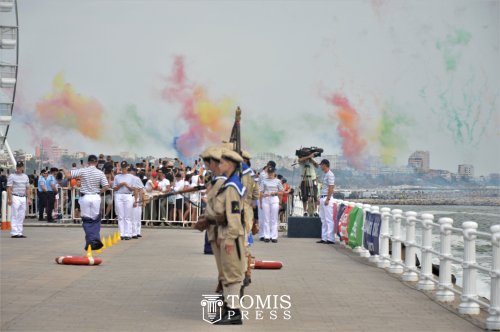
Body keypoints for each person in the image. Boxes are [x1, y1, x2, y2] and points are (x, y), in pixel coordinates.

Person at [213, 149, 246, 325]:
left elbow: (233, 216)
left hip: (230, 235)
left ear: (230, 164)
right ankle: (228, 309)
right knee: (226, 273)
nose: (219, 165)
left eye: (222, 162)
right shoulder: (228, 184)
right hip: (225, 233)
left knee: (232, 274)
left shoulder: (232, 187)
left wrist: (231, 238)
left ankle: (234, 312)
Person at [65, 155, 109, 250]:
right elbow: (106, 186)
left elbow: (68, 175)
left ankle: (91, 241)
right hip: (96, 197)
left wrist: (64, 169)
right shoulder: (100, 172)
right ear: (96, 162)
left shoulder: (83, 170)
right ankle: (94, 240)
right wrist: (99, 192)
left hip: (85, 197)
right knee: (95, 220)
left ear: (88, 162)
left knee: (86, 220)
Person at [240, 150, 259, 286]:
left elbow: (255, 195)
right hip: (243, 210)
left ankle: (247, 273)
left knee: (245, 244)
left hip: (244, 211)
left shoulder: (248, 174)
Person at [113, 161, 138, 240]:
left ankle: (127, 234)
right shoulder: (117, 177)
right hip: (119, 195)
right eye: (122, 168)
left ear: (127, 167)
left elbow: (133, 189)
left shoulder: (131, 177)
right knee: (120, 216)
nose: (123, 169)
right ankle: (121, 233)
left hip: (128, 195)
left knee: (127, 216)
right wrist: (120, 184)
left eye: (125, 167)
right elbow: (114, 188)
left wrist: (126, 185)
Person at [259, 166, 283, 243]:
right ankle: (267, 236)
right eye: (269, 173)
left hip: (274, 198)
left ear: (274, 173)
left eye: (271, 173)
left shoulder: (278, 181)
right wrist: (262, 197)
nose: (270, 174)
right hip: (266, 199)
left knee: (274, 218)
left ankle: (274, 236)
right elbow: (261, 192)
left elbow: (282, 192)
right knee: (266, 218)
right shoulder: (263, 181)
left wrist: (276, 193)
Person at [7, 161, 32, 238]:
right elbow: (9, 188)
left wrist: (29, 198)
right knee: (15, 214)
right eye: (18, 166)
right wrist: (10, 199)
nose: (19, 168)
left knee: (21, 215)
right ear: (16, 167)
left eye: (20, 166)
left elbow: (27, 189)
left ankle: (19, 232)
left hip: (23, 197)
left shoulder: (25, 176)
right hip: (15, 196)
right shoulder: (12, 176)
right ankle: (14, 232)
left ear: (22, 167)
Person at [317, 159, 335, 244]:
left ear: (325, 165)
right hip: (323, 197)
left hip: (327, 198)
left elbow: (331, 187)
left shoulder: (330, 175)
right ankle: (324, 237)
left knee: (329, 219)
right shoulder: (325, 174)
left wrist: (328, 198)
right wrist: (320, 197)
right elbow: (324, 187)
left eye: (321, 165)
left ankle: (330, 238)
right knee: (323, 219)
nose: (320, 166)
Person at [298, 152, 319, 216]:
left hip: (312, 179)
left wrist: (311, 158)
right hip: (304, 179)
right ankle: (305, 211)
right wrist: (308, 156)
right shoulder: (302, 160)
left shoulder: (312, 160)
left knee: (314, 195)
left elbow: (317, 166)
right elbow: (299, 160)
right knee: (304, 196)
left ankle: (315, 210)